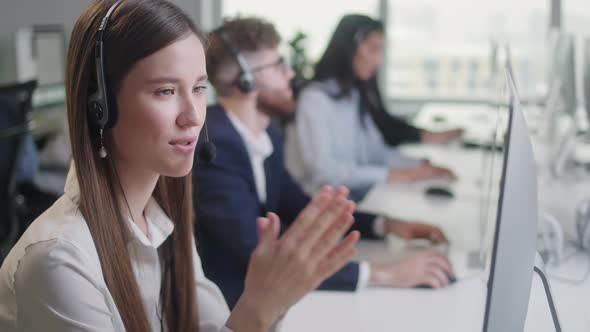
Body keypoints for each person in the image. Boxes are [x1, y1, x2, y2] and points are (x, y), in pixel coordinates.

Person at [0, 1, 362, 331]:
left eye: (200, 89)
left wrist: (274, 297)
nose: (193, 117)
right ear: (101, 105)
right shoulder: (57, 262)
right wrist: (258, 307)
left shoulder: (161, 221)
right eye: (166, 91)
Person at [193, 17, 455, 309]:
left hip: (265, 299)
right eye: (278, 66)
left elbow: (302, 207)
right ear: (246, 79)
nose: (291, 74)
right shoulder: (215, 148)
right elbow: (256, 254)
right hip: (229, 309)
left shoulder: (266, 136)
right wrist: (383, 274)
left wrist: (384, 225)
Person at [285, 14, 459, 202]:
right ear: (349, 49)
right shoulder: (315, 99)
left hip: (355, 197)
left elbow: (374, 150)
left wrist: (419, 166)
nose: (378, 62)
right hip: (321, 206)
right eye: (373, 50)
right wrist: (391, 175)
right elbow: (325, 172)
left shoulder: (352, 95)